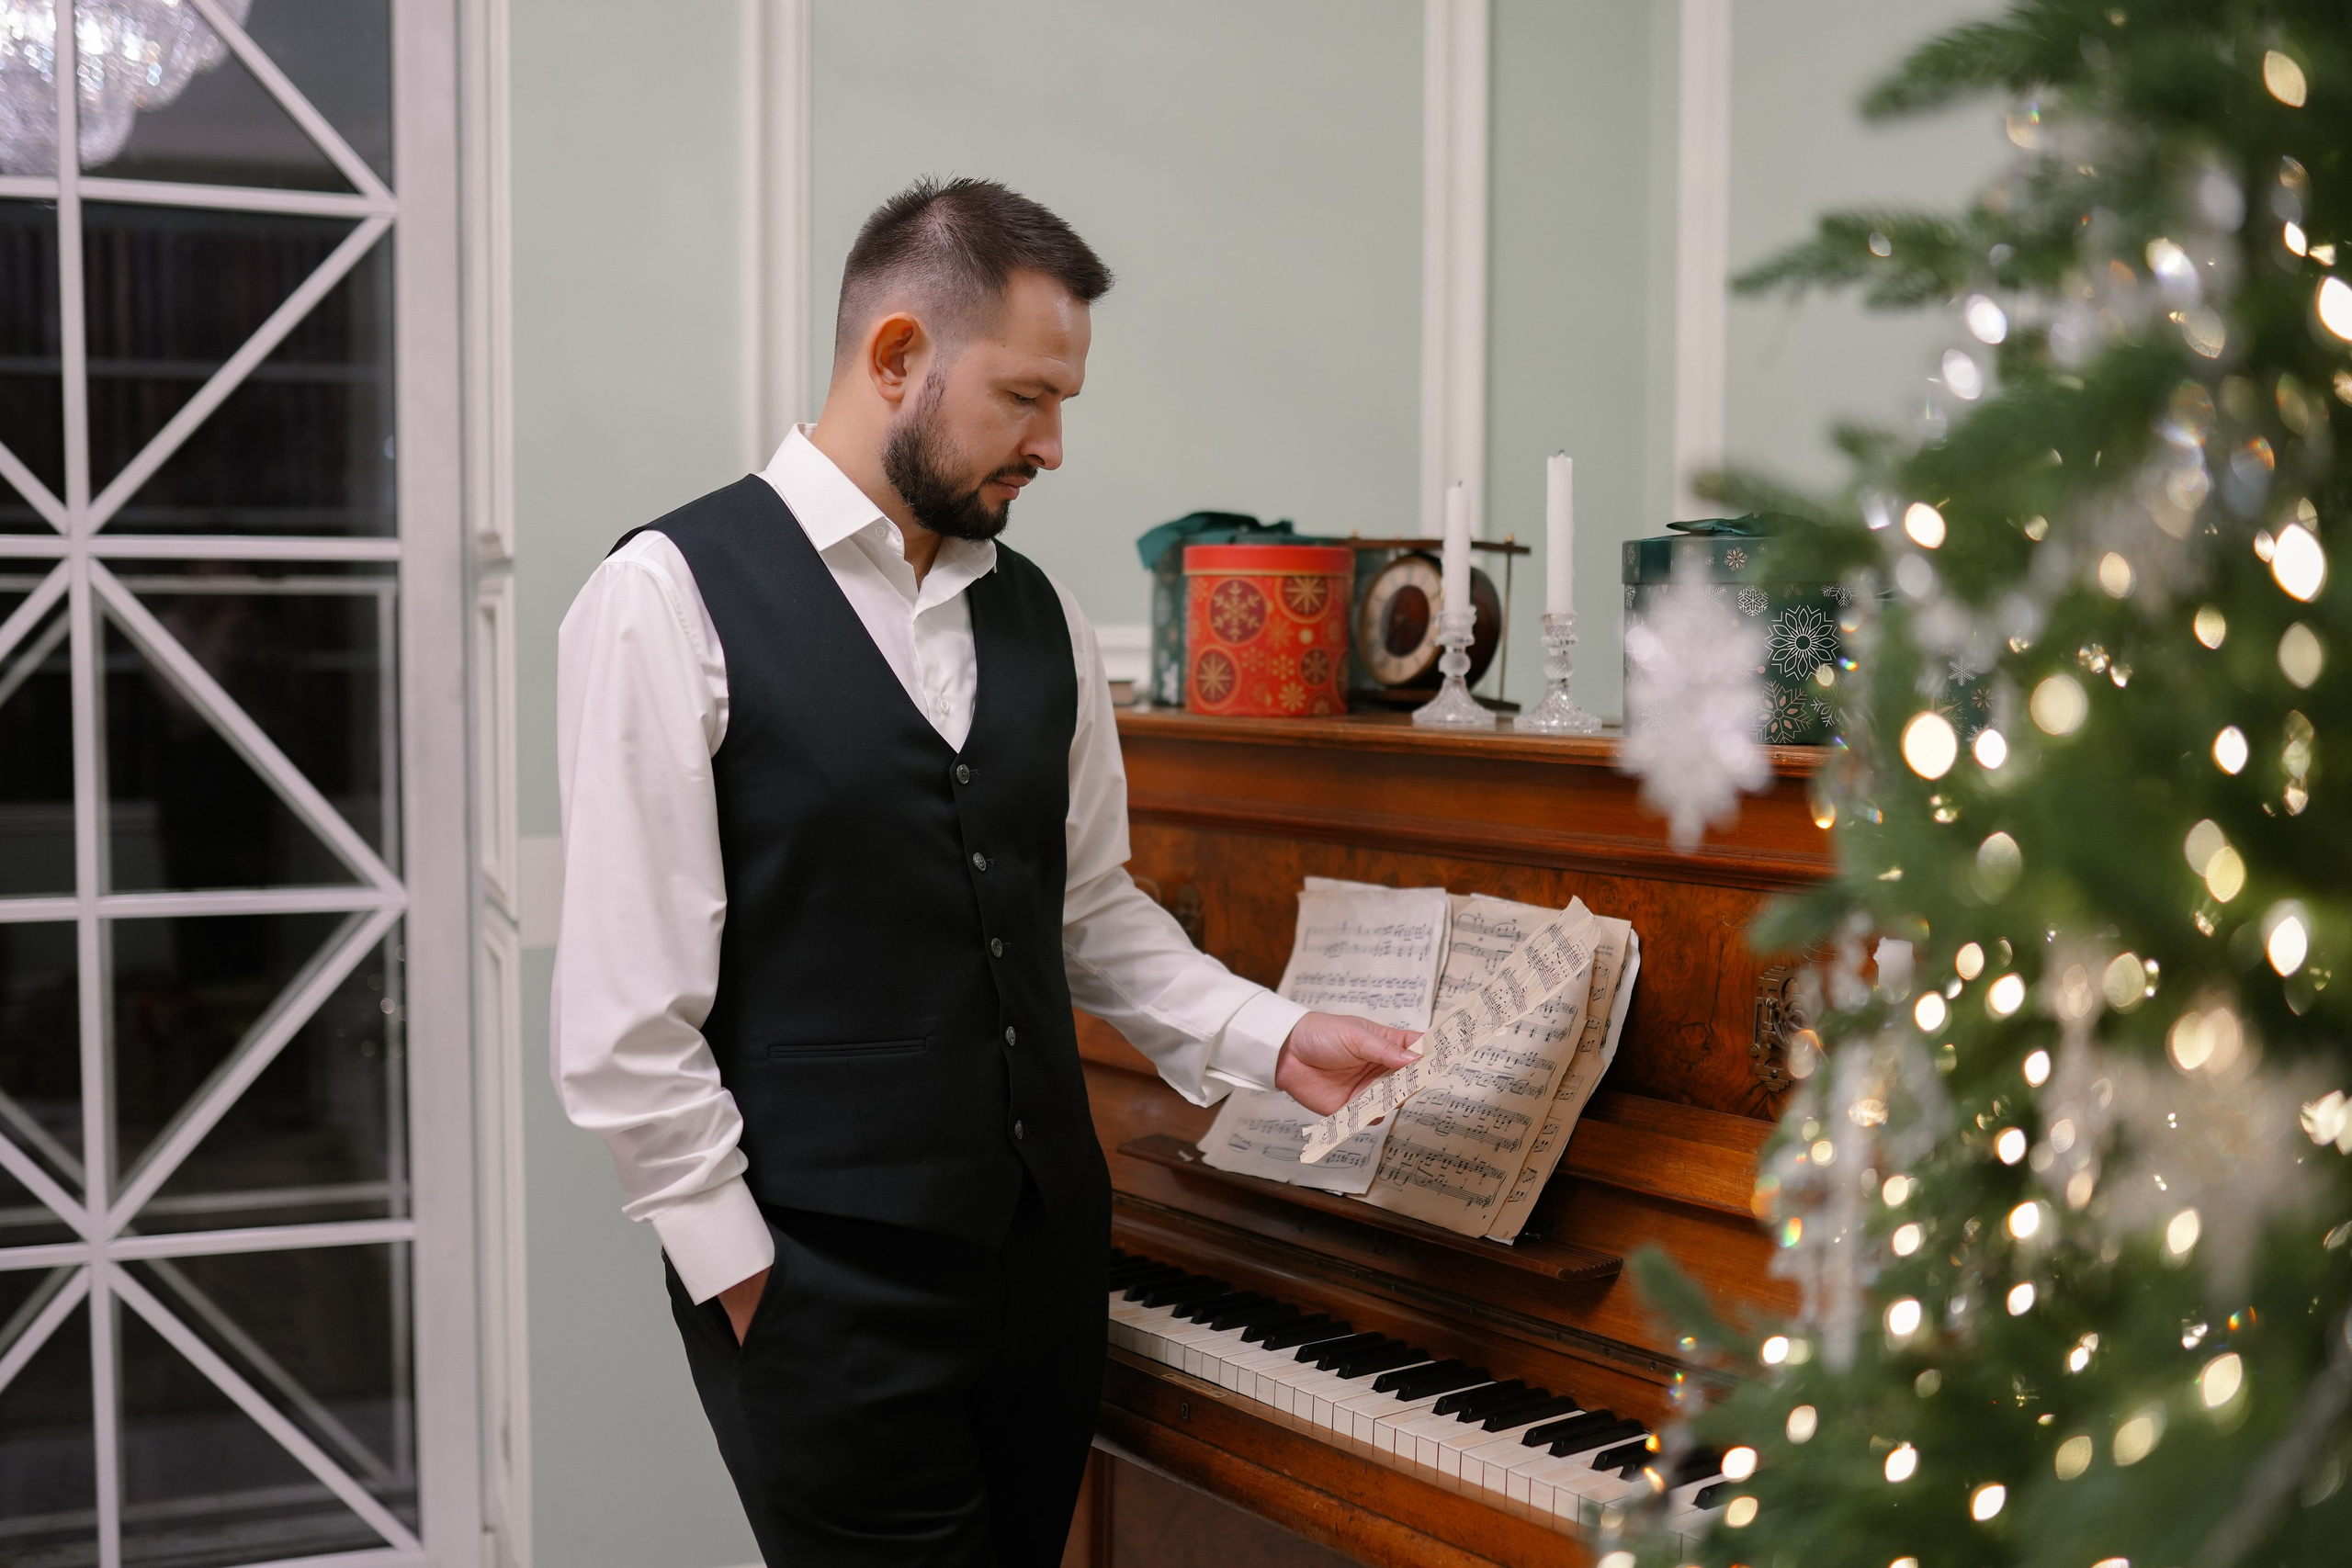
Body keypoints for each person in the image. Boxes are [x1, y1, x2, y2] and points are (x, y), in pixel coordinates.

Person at [549, 176, 1418, 1566]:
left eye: (1063, 401)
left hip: (1046, 1275)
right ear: (898, 357)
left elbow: (1085, 914)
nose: (1056, 447)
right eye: (1026, 398)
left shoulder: (1044, 617)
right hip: (821, 1292)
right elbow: (624, 1021)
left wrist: (1279, 1035)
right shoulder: (665, 595)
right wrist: (752, 1282)